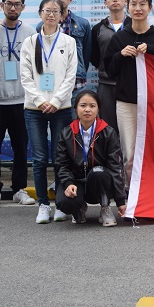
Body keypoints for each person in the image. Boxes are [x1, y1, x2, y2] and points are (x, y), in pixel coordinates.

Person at [104, 0, 154, 185]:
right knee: (129, 153)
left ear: (150, 8)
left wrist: (153, 50)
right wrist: (120, 55)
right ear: (128, 8)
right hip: (126, 103)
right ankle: (131, 192)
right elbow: (109, 71)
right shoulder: (119, 38)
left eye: (142, 4)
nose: (138, 8)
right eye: (134, 4)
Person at [21, 0, 78, 224]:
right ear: (40, 13)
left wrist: (55, 101)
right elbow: (25, 77)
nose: (51, 14)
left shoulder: (68, 42)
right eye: (47, 10)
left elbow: (71, 77)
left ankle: (61, 205)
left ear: (62, 15)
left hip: (61, 107)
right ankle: (43, 205)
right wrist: (39, 101)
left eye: (56, 11)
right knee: (39, 158)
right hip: (34, 108)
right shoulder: (29, 42)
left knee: (60, 158)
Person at [0, 0, 37, 208]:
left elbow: (35, 65)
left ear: (23, 7)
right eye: (8, 4)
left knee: (20, 148)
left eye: (17, 4)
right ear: (1, 5)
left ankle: (19, 189)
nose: (12, 8)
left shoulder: (30, 32)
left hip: (21, 100)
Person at [54, 90, 127, 226]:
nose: (87, 109)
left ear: (98, 109)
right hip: (77, 181)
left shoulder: (108, 132)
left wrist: (120, 201)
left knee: (98, 172)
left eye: (92, 106)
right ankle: (79, 208)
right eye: (83, 105)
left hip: (100, 180)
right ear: (76, 109)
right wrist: (68, 183)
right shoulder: (66, 133)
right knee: (64, 202)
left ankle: (105, 207)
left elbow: (116, 166)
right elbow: (61, 164)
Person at [90, 0, 129, 135]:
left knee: (129, 127)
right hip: (106, 84)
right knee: (107, 127)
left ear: (125, 0)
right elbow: (94, 56)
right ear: (105, 2)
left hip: (129, 83)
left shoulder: (134, 25)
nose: (115, 0)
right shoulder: (98, 28)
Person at [42, 0, 91, 96]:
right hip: (51, 83)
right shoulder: (42, 26)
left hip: (76, 83)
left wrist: (79, 70)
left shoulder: (82, 24)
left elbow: (86, 54)